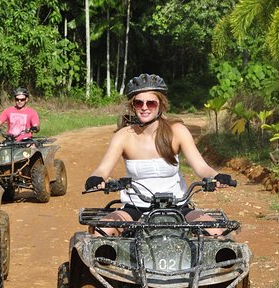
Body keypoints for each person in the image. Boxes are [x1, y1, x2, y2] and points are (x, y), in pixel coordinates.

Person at [84, 73, 234, 236]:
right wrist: (96, 179)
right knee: (101, 232)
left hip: (178, 208)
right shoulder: (124, 136)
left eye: (151, 103)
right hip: (134, 208)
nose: (144, 107)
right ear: (132, 106)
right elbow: (102, 170)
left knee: (216, 232)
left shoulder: (177, 131)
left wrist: (217, 176)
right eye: (138, 102)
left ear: (161, 105)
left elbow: (201, 167)